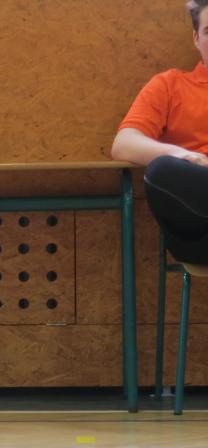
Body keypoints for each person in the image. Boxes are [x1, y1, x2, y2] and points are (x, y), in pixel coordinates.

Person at [111, 0, 208, 276]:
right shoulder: (171, 85)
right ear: (196, 39)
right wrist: (180, 154)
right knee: (162, 169)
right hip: (200, 230)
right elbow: (124, 143)